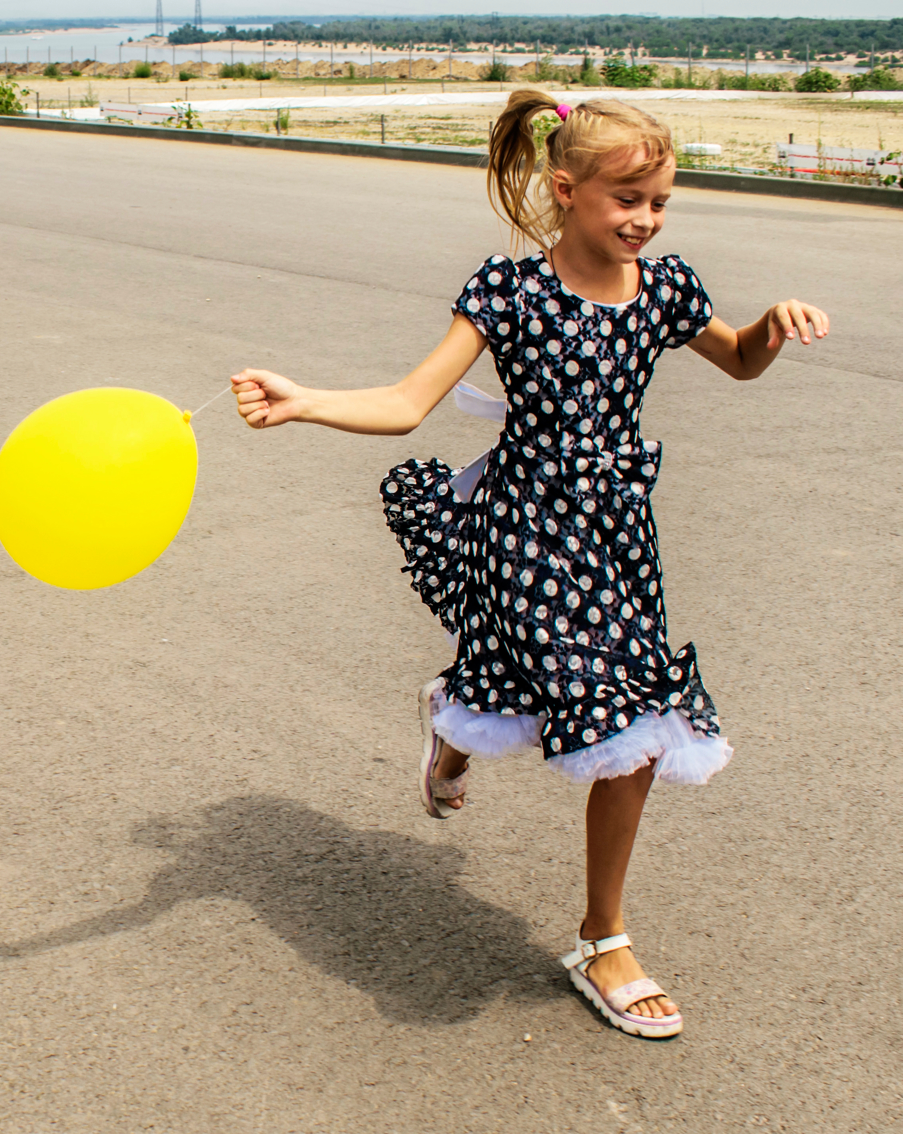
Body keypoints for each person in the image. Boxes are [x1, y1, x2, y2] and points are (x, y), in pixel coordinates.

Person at [230, 92, 828, 1039]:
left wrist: (771, 326)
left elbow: (742, 362)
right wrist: (302, 400)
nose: (645, 219)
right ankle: (599, 929)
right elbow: (404, 402)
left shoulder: (667, 288)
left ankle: (594, 925)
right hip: (523, 528)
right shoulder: (508, 293)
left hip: (619, 535)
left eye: (661, 201)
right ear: (566, 188)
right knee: (610, 710)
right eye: (627, 198)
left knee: (624, 711)